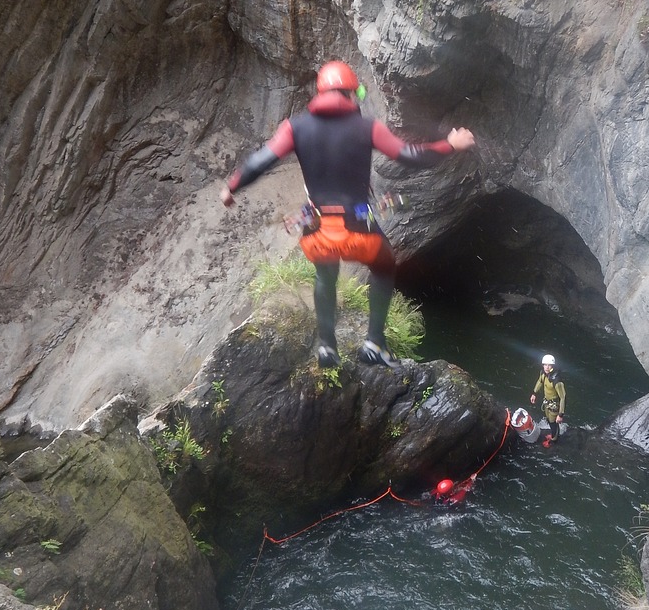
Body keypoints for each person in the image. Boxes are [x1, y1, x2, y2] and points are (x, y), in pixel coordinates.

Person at [221, 60, 475, 368]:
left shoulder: (295, 127)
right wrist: (450, 143)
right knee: (384, 267)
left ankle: (327, 346)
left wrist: (231, 187)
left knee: (325, 274)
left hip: (316, 231)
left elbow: (260, 161)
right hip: (359, 229)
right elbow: (408, 156)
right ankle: (374, 344)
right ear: (351, 94)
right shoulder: (367, 127)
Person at [530, 353, 566, 439]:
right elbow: (540, 381)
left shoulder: (557, 381)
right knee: (548, 420)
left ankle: (554, 439)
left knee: (553, 422)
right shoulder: (543, 374)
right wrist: (534, 393)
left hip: (554, 405)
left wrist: (560, 415)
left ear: (553, 366)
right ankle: (553, 435)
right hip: (547, 402)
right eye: (545, 365)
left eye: (549, 365)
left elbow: (563, 397)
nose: (547, 367)